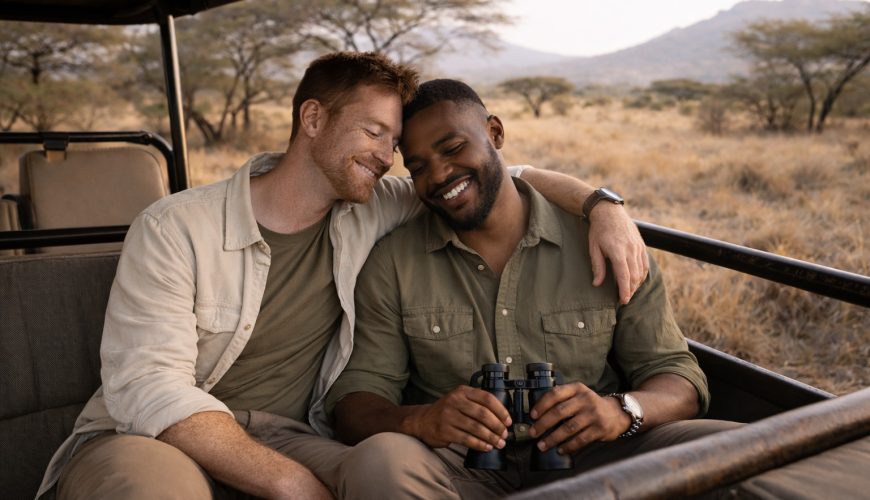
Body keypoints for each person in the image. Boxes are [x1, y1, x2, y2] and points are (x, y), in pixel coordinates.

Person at [36, 54, 648, 499]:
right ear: (312, 119)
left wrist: (603, 206)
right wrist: (287, 481)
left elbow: (499, 176)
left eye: (393, 144)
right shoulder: (174, 227)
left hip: (292, 433)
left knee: (383, 468)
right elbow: (149, 387)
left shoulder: (373, 204)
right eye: (373, 132)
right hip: (152, 436)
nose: (386, 157)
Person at [326, 79, 740, 498]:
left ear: (495, 133)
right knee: (378, 461)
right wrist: (422, 420)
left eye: (452, 149)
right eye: (417, 167)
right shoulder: (394, 262)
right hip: (458, 467)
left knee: (744, 449)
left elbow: (677, 377)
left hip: (595, 458)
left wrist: (619, 410)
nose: (439, 175)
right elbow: (356, 402)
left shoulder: (604, 243)